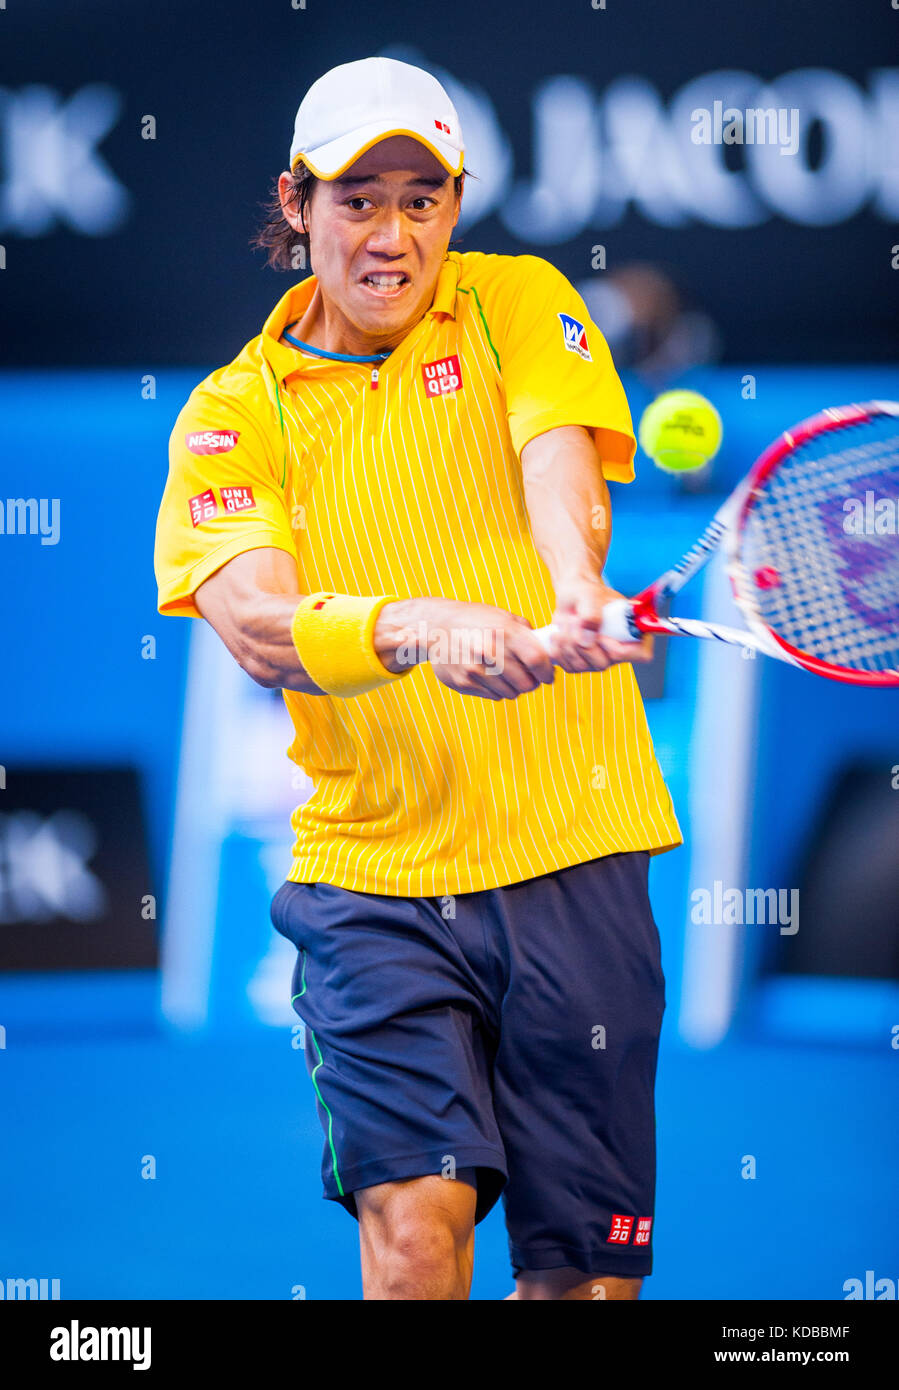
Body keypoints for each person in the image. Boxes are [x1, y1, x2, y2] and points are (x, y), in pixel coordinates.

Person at [154, 55, 682, 1301]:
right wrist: (424, 626)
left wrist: (568, 589)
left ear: (454, 204)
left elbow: (557, 463)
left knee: (583, 1286)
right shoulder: (231, 416)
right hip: (373, 884)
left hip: (576, 856)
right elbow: (259, 625)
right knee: (410, 1241)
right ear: (295, 204)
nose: (391, 234)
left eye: (421, 199)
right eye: (356, 198)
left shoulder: (516, 300)